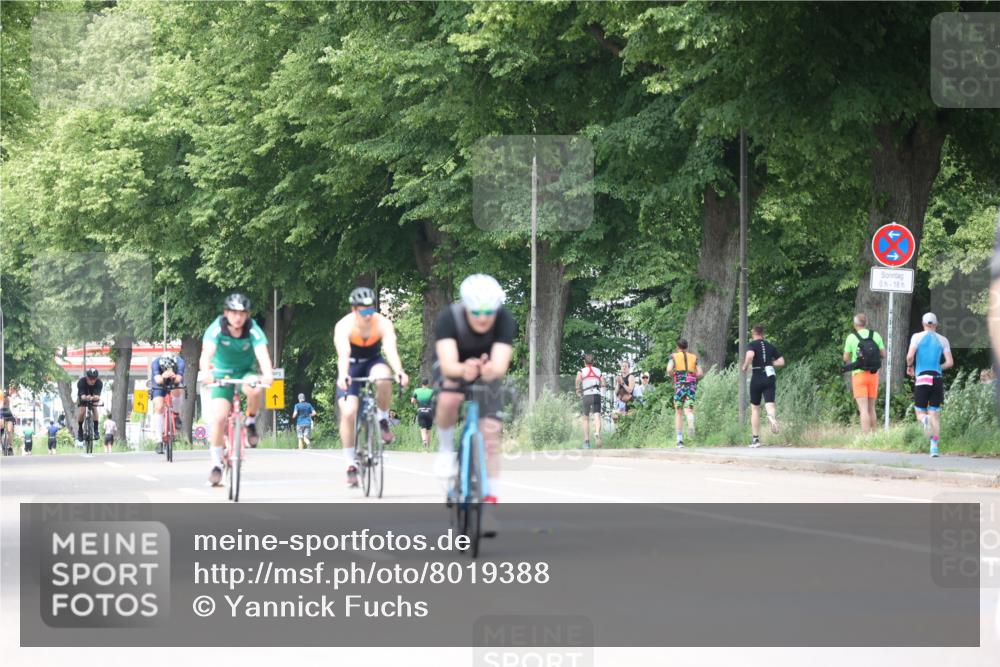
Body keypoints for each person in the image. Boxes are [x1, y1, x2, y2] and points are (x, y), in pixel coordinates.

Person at [432, 274, 515, 518]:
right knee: (449, 398)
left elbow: (500, 366)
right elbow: (448, 364)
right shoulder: (449, 318)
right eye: (476, 312)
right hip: (455, 366)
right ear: (466, 306)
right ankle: (446, 450)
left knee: (490, 434)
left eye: (488, 312)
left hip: (487, 371)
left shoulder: (504, 319)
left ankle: (491, 494)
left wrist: (487, 370)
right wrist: (463, 369)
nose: (482, 318)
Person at [334, 287, 409, 488]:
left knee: (384, 378)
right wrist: (343, 375)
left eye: (370, 310)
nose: (368, 315)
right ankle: (350, 463)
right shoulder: (344, 326)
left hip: (373, 362)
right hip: (351, 365)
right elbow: (343, 354)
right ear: (354, 309)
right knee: (348, 412)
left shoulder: (382, 323)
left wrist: (399, 370)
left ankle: (382, 418)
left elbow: (391, 349)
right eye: (363, 311)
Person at [200, 293, 274, 487]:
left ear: (248, 315)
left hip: (245, 372)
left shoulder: (253, 330)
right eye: (233, 313)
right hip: (221, 374)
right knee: (219, 417)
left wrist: (267, 374)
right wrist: (206, 372)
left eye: (242, 313)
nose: (238, 317)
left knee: (255, 389)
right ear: (226, 313)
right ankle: (216, 465)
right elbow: (206, 354)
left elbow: (262, 355)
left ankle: (250, 421)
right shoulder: (217, 329)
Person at [906, 313, 954, 457]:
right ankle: (934, 447)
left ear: (923, 323)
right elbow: (950, 362)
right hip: (937, 378)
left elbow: (910, 356)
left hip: (922, 378)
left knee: (920, 412)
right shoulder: (943, 340)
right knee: (935, 414)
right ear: (936, 324)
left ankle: (924, 419)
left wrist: (910, 366)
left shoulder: (917, 337)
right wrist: (939, 367)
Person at [741, 324, 785, 447]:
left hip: (757, 376)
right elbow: (781, 361)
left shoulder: (752, 344)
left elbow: (750, 355)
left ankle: (755, 439)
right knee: (770, 403)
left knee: (755, 408)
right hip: (770, 376)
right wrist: (770, 362)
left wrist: (745, 366)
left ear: (753, 333)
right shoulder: (770, 346)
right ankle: (771, 416)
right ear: (763, 333)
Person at [842, 313, 886, 434]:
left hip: (859, 375)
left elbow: (845, 358)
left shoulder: (851, 337)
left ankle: (865, 438)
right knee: (872, 408)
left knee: (863, 409)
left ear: (855, 324)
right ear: (866, 323)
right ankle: (875, 436)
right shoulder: (875, 335)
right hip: (873, 375)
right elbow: (883, 354)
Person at [667, 338, 703, 448]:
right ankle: (690, 418)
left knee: (678, 412)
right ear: (687, 347)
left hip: (679, 386)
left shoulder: (673, 356)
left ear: (678, 347)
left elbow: (669, 369)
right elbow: (700, 373)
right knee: (688, 410)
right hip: (691, 386)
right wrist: (693, 377)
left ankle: (679, 440)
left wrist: (672, 375)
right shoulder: (694, 357)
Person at [150, 351, 185, 454]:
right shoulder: (155, 363)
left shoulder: (180, 362)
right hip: (159, 382)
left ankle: (176, 414)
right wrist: (164, 376)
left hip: (174, 380)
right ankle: (159, 441)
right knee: (159, 406)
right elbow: (158, 380)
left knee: (177, 392)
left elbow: (179, 379)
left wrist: (173, 377)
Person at [575, 353, 605, 449]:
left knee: (586, 418)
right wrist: (602, 388)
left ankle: (587, 441)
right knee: (597, 416)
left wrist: (577, 389)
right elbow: (603, 382)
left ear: (584, 361)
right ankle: (597, 432)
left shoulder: (581, 371)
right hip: (596, 395)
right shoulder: (598, 370)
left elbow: (578, 379)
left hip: (587, 395)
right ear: (593, 361)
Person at [76, 368, 103, 443]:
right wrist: (86, 397)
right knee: (82, 411)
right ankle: (80, 430)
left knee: (94, 408)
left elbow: (97, 396)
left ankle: (96, 430)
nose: (92, 381)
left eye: (94, 378)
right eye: (90, 379)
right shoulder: (81, 382)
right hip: (83, 395)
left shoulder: (99, 383)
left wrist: (94, 397)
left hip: (93, 396)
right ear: (87, 377)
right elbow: (82, 396)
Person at [411, 379, 435, 450]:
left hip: (420, 411)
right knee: (429, 430)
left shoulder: (416, 391)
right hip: (429, 412)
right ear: (428, 384)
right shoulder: (431, 391)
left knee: (423, 429)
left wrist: (416, 402)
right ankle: (429, 447)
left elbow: (412, 401)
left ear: (422, 384)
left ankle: (424, 441)